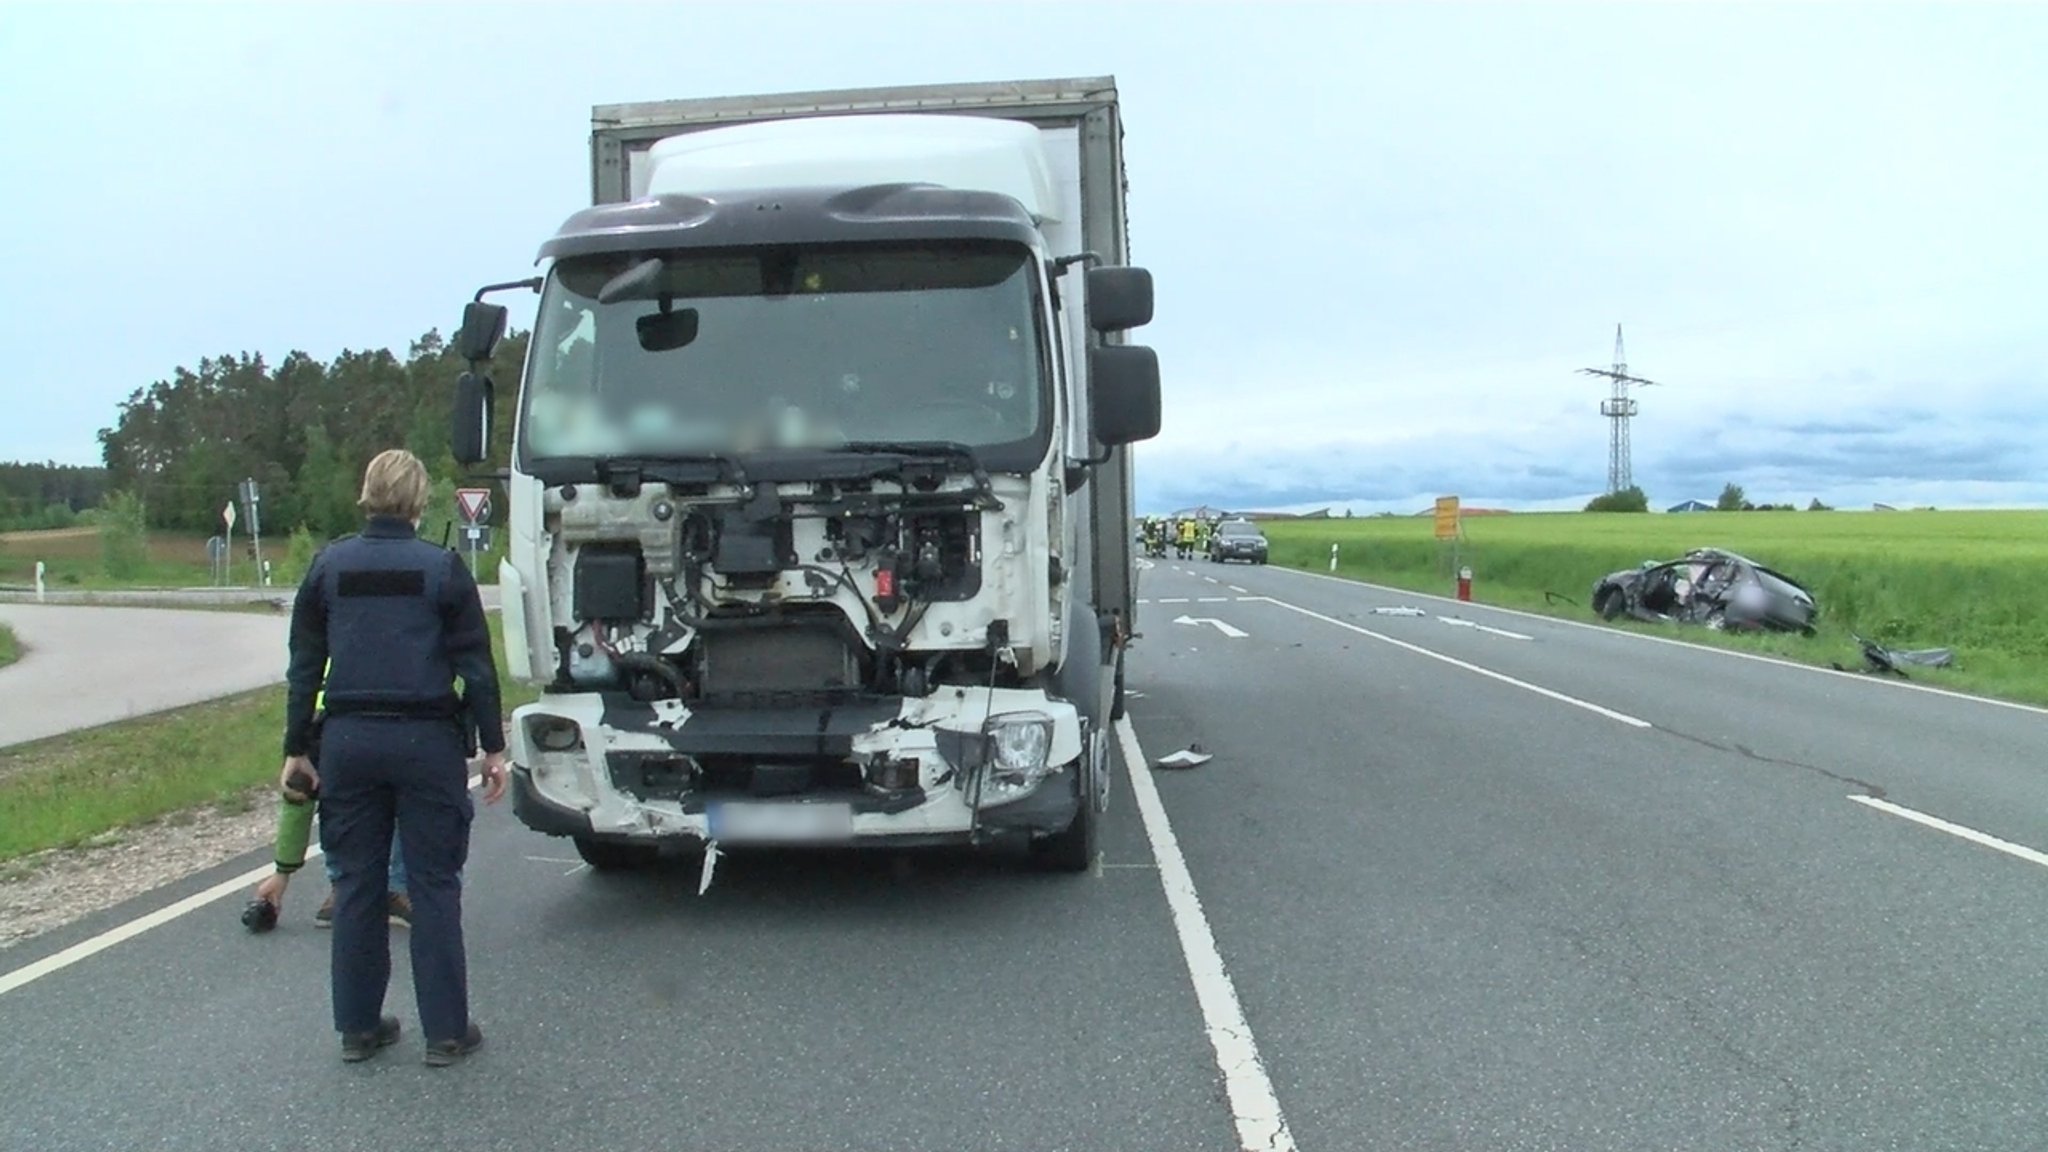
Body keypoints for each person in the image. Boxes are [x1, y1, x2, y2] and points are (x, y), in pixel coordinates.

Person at [283, 449, 510, 1066]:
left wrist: (297, 747)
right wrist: (493, 747)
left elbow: (304, 665)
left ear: (366, 494)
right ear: (417, 501)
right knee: (434, 884)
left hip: (349, 743)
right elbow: (476, 669)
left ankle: (357, 1027)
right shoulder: (442, 570)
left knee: (356, 882)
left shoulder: (328, 567)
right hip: (425, 742)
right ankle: (446, 1032)